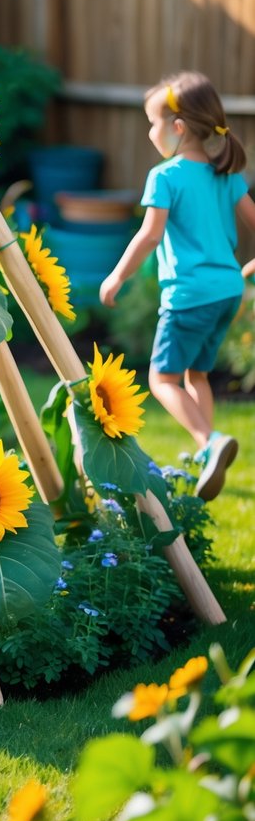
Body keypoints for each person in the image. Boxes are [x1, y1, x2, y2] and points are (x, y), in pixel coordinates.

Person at [99, 71, 255, 501]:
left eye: (153, 122)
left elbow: (149, 235)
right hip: (226, 291)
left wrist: (117, 276)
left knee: (161, 379)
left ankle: (209, 443)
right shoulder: (226, 174)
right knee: (196, 374)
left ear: (179, 127)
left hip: (190, 294)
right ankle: (206, 459)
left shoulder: (165, 176)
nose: (151, 131)